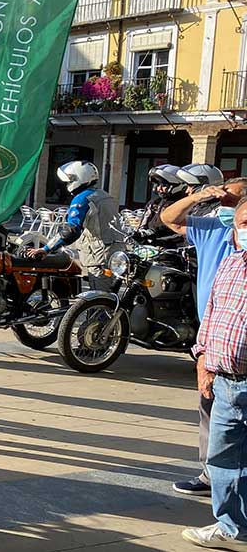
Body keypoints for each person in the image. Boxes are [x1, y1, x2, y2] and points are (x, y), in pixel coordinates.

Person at [162, 177, 247, 498]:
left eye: (230, 202)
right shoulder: (213, 231)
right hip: (215, 338)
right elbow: (169, 218)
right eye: (221, 201)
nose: (222, 206)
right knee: (211, 408)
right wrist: (198, 196)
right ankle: (213, 475)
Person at [182, 197, 247, 549]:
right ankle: (233, 526)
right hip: (225, 381)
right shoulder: (230, 265)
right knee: (224, 459)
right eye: (244, 223)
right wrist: (203, 361)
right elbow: (213, 316)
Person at [27, 161, 119, 289]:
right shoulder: (104, 195)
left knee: (100, 298)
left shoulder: (83, 198)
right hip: (116, 254)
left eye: (69, 181)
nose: (68, 185)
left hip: (99, 257)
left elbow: (72, 230)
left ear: (79, 178)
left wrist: (46, 249)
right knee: (112, 295)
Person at [133, 164, 186, 244]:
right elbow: (144, 222)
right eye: (157, 185)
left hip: (172, 250)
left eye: (164, 185)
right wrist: (140, 233)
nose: (159, 189)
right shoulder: (154, 203)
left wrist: (156, 236)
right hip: (149, 248)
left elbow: (182, 232)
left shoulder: (183, 205)